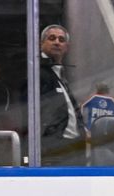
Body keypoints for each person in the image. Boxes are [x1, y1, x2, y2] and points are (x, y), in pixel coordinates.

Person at [39, 24, 87, 166]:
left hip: (74, 149)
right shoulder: (37, 72)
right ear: (42, 43)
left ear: (66, 46)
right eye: (52, 38)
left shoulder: (60, 75)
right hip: (54, 150)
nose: (57, 42)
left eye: (61, 39)